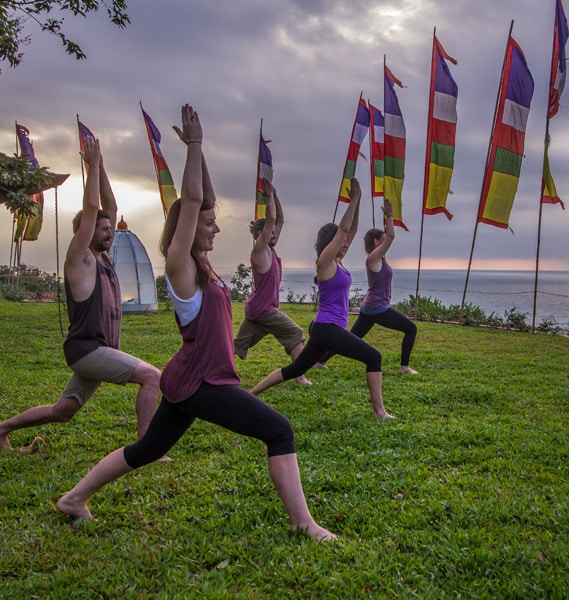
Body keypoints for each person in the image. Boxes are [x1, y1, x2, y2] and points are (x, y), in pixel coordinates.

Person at [56, 105, 336, 541]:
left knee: (147, 449)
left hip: (189, 378)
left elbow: (202, 198)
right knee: (279, 430)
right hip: (203, 383)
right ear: (186, 230)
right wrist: (194, 145)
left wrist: (200, 154)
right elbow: (190, 202)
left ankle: (74, 498)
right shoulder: (179, 267)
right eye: (209, 224)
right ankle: (304, 524)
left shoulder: (204, 266)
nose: (216, 228)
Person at [0, 136, 161, 450]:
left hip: (99, 350)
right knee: (152, 376)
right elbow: (92, 209)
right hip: (87, 350)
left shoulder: (104, 258)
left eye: (109, 228)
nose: (108, 232)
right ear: (85, 232)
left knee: (64, 411)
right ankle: (147, 449)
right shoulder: (81, 259)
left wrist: (100, 169)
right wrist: (94, 163)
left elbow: (109, 207)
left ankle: (2, 429)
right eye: (102, 229)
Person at [250, 178, 393, 419]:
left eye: (346, 242)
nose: (345, 244)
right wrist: (354, 199)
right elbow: (345, 229)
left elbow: (351, 229)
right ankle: (380, 411)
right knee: (374, 357)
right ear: (330, 243)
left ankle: (251, 395)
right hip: (327, 328)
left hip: (325, 329)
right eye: (341, 240)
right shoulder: (325, 263)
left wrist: (358, 205)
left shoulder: (337, 262)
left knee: (295, 368)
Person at [316, 198, 418, 374]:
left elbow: (388, 238)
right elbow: (392, 236)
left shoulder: (380, 259)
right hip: (377, 308)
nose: (387, 242)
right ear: (377, 242)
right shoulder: (373, 258)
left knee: (350, 338)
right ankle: (404, 367)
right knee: (411, 329)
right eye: (383, 240)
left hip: (369, 307)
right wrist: (390, 215)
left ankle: (319, 361)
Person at [233, 180, 311, 385]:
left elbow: (279, 220)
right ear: (261, 234)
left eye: (275, 232)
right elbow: (272, 220)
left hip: (256, 309)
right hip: (264, 310)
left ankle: (212, 367)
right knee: (295, 333)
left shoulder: (271, 250)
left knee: (237, 346)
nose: (275, 233)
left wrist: (275, 194)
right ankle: (300, 377)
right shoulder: (259, 250)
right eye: (271, 231)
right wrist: (268, 198)